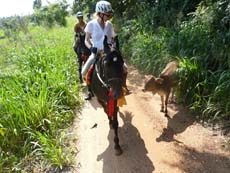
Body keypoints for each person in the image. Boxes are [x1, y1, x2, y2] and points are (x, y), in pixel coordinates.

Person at [81, 0, 129, 100]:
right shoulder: (91, 24)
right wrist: (91, 47)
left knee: (125, 68)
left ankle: (123, 86)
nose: (109, 17)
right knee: (84, 72)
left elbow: (113, 38)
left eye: (109, 15)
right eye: (107, 15)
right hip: (97, 52)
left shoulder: (109, 25)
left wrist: (114, 45)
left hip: (109, 52)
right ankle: (90, 90)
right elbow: (86, 40)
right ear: (100, 14)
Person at [73, 11, 90, 83]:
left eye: (81, 17)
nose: (80, 18)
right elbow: (75, 32)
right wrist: (78, 34)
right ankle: (78, 56)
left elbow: (88, 32)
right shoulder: (76, 25)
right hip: (79, 39)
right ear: (77, 18)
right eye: (79, 17)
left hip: (85, 38)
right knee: (74, 46)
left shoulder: (86, 24)